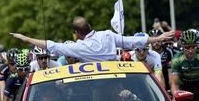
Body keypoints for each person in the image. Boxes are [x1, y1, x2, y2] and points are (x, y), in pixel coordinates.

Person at [10, 16, 174, 62]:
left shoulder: (77, 48)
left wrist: (26, 38)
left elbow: (51, 46)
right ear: (89, 25)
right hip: (118, 78)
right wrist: (158, 37)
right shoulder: (108, 35)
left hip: (95, 87)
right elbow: (132, 41)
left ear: (76, 33)